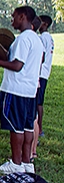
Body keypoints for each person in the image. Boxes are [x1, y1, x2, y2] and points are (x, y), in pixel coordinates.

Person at [0, 6, 43, 174]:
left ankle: (15, 164)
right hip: (30, 90)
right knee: (27, 128)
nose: (12, 20)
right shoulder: (35, 38)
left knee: (15, 128)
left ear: (23, 17)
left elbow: (17, 65)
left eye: (14, 16)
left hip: (15, 89)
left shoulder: (23, 39)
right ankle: (27, 163)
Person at [34, 14, 53, 158]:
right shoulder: (49, 38)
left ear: (45, 24)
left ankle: (38, 129)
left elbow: (42, 57)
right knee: (39, 101)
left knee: (38, 102)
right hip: (45, 73)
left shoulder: (43, 38)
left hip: (40, 74)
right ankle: (38, 128)